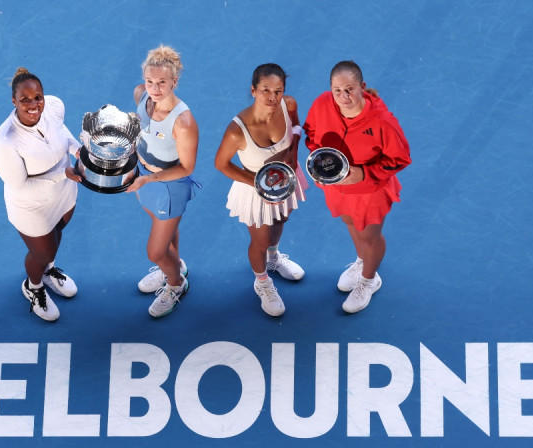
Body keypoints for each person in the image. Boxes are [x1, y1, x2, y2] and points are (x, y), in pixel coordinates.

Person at [303, 60, 411, 313]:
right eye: (338, 91)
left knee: (368, 236)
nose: (344, 97)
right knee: (350, 222)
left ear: (362, 87)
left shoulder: (383, 122)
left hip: (370, 191)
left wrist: (363, 173)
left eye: (350, 89)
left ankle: (369, 280)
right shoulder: (321, 104)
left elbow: (401, 158)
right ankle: (363, 262)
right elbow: (311, 134)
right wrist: (319, 163)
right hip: (336, 187)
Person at [214, 63, 308, 317]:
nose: (272, 97)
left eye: (278, 91)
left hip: (286, 179)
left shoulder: (288, 105)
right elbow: (221, 164)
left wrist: (293, 151)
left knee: (281, 220)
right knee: (261, 240)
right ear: (253, 90)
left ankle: (274, 258)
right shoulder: (237, 131)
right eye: (266, 90)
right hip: (255, 190)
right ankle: (262, 281)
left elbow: (298, 128)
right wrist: (257, 182)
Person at [0, 67, 83, 322]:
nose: (34, 105)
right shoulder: (5, 141)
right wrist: (62, 174)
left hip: (63, 191)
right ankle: (33, 286)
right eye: (25, 100)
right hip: (31, 205)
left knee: (58, 232)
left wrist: (78, 151)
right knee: (41, 252)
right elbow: (20, 185)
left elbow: (62, 131)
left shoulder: (53, 107)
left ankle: (48, 271)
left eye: (38, 98)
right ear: (14, 101)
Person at [126, 45, 199, 318]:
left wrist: (147, 179)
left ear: (174, 82)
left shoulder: (183, 123)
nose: (154, 89)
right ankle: (175, 265)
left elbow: (186, 167)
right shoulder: (141, 96)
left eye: (162, 83)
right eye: (150, 81)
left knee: (156, 252)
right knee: (164, 232)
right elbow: (139, 131)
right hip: (144, 180)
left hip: (168, 187)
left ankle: (176, 283)